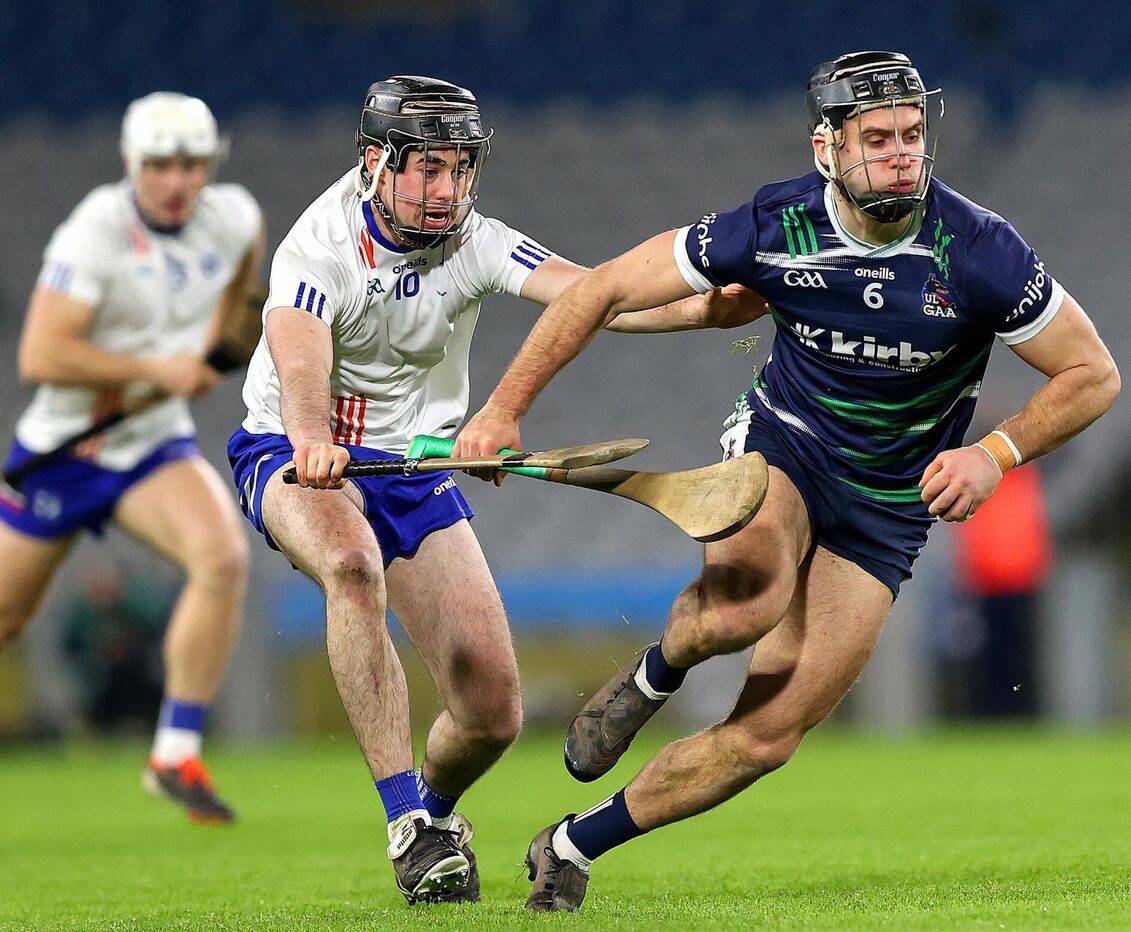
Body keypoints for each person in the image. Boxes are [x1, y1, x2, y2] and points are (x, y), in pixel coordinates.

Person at [454, 50, 1122, 911]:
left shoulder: (979, 250)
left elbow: (1093, 373)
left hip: (886, 508)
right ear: (827, 148)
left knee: (769, 736)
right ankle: (656, 676)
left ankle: (574, 842)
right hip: (787, 448)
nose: (901, 155)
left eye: (913, 135)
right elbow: (602, 290)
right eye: (877, 138)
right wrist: (504, 412)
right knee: (747, 604)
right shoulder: (776, 224)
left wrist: (991, 455)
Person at [226, 75, 759, 905]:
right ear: (375, 162)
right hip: (294, 451)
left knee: (491, 712)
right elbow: (298, 350)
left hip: (412, 463)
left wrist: (704, 311)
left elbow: (593, 298)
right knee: (351, 563)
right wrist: (310, 435)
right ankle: (405, 819)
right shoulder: (320, 242)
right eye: (427, 170)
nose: (447, 192)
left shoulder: (475, 240)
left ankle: (437, 823)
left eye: (460, 169)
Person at [0, 92, 264, 823]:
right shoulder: (93, 232)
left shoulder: (233, 215)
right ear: (130, 164)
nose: (177, 181)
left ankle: (174, 753)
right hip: (61, 450)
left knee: (222, 558)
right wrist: (151, 371)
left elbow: (242, 290)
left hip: (149, 444)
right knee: (5, 620)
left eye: (192, 164)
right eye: (160, 165)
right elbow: (40, 353)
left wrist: (209, 353)